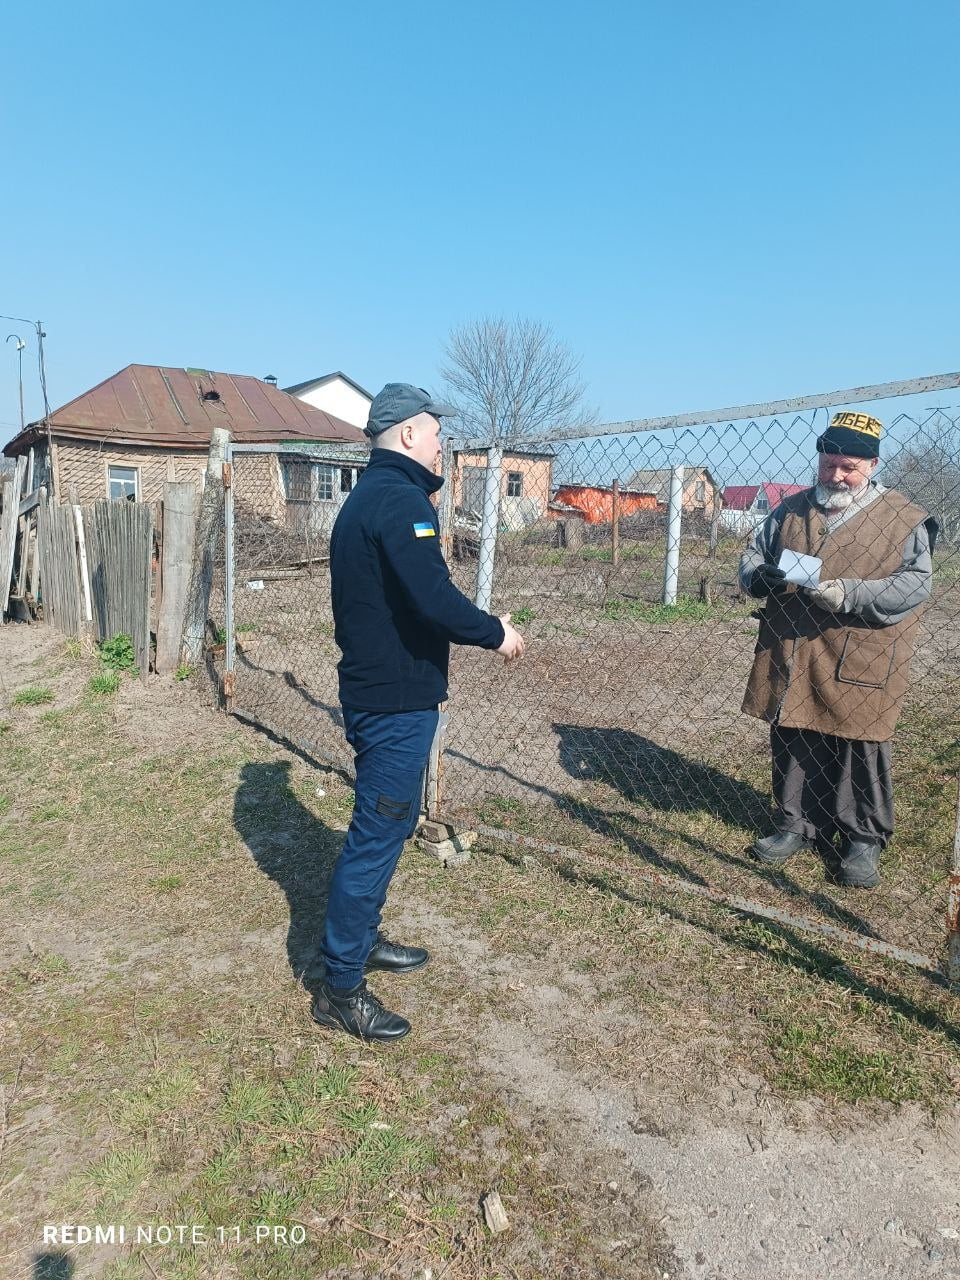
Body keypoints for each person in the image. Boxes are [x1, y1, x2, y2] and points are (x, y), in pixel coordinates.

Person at [311, 382, 525, 1042]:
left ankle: (362, 939)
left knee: (383, 831)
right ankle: (341, 986)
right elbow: (434, 598)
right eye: (436, 434)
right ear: (408, 434)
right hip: (393, 705)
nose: (441, 446)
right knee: (376, 838)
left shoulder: (371, 498)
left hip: (385, 695)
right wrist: (495, 632)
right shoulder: (401, 503)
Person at [739, 411, 937, 888]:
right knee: (794, 731)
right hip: (793, 643)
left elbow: (915, 584)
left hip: (862, 649)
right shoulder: (792, 508)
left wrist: (849, 593)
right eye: (828, 464)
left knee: (860, 742)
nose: (836, 476)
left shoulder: (903, 517)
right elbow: (753, 552)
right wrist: (755, 577)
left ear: (871, 464)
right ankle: (795, 824)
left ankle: (863, 838)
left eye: (847, 467)